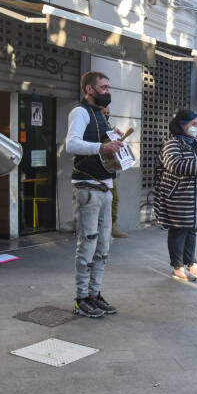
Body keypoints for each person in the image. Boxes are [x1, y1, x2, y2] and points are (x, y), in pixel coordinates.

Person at [65, 71, 123, 318]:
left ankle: (94, 294)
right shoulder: (80, 112)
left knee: (103, 246)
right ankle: (81, 298)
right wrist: (102, 146)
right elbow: (71, 144)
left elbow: (103, 146)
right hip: (88, 188)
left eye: (109, 87)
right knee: (87, 244)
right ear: (89, 89)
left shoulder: (100, 114)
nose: (108, 91)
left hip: (105, 187)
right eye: (103, 87)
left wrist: (113, 140)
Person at [154, 109, 197, 281]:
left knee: (192, 229)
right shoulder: (172, 143)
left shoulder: (196, 141)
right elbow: (175, 165)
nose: (196, 127)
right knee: (179, 230)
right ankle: (177, 266)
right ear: (182, 125)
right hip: (179, 195)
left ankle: (191, 263)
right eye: (194, 124)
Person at [101, 105, 128, 239]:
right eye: (104, 112)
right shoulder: (96, 127)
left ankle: (112, 225)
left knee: (114, 198)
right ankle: (105, 227)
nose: (106, 115)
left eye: (108, 112)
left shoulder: (109, 127)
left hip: (109, 169)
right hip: (97, 170)